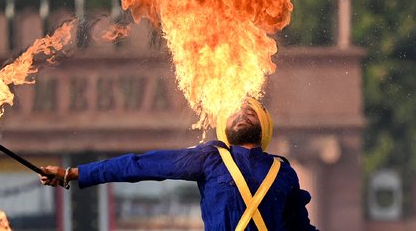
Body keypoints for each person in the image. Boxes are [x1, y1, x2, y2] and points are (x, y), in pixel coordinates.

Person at [40, 98, 318, 231]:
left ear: (264, 126)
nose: (242, 114)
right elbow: (141, 166)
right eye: (237, 112)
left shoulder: (282, 172)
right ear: (225, 129)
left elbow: (300, 229)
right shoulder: (211, 158)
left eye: (251, 112)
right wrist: (72, 173)